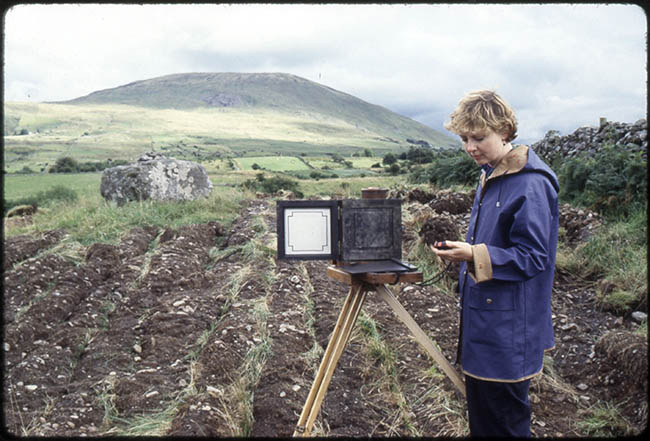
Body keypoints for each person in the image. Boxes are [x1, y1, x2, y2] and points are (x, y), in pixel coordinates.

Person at [431, 90, 559, 437]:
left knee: (505, 425)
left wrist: (473, 255)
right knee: (486, 423)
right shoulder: (491, 174)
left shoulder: (530, 183)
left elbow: (534, 257)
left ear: (504, 130)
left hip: (509, 333)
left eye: (479, 137)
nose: (470, 147)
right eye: (464, 138)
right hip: (487, 325)